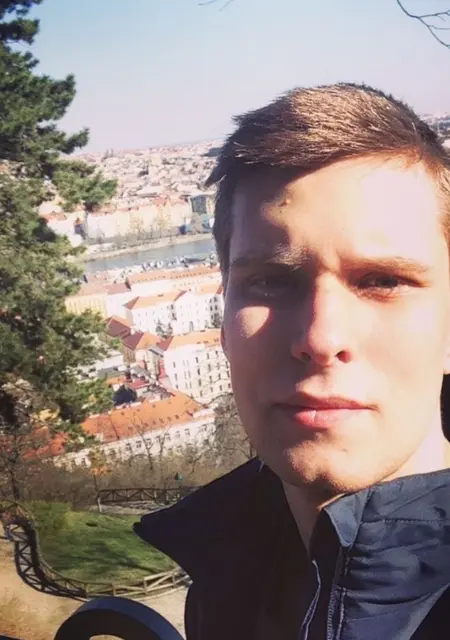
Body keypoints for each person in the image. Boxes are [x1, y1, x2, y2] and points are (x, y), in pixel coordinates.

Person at [134, 83, 450, 639]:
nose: (320, 337)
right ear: (224, 327)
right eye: (270, 282)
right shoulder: (225, 578)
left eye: (383, 281)